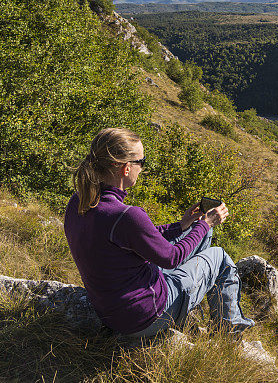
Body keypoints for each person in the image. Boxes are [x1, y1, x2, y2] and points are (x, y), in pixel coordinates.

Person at [63, 127, 255, 337]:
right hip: (145, 315)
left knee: (201, 235)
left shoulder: (79, 201)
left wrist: (182, 225)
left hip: (111, 309)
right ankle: (230, 331)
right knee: (219, 257)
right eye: (141, 163)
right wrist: (206, 223)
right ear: (126, 168)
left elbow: (140, 238)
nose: (142, 169)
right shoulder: (127, 216)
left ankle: (192, 302)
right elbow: (171, 258)